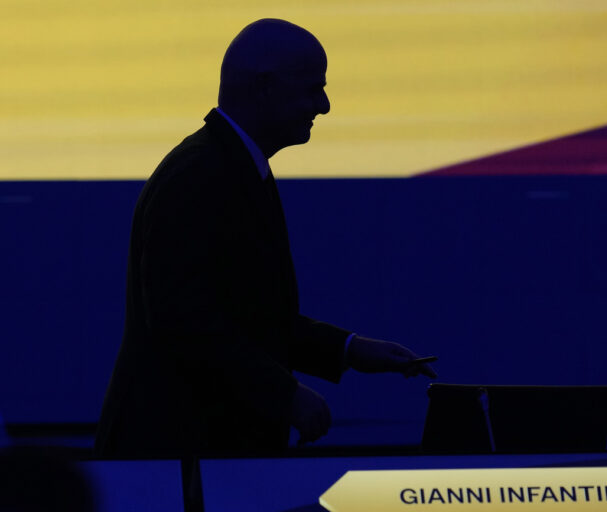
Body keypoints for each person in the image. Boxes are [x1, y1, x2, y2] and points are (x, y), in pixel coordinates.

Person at [95, 19, 436, 457]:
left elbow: (246, 317)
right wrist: (284, 393)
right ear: (264, 88)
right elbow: (183, 320)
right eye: (313, 89)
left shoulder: (228, 166)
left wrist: (350, 350)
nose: (325, 105)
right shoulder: (200, 174)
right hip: (179, 462)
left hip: (193, 457)